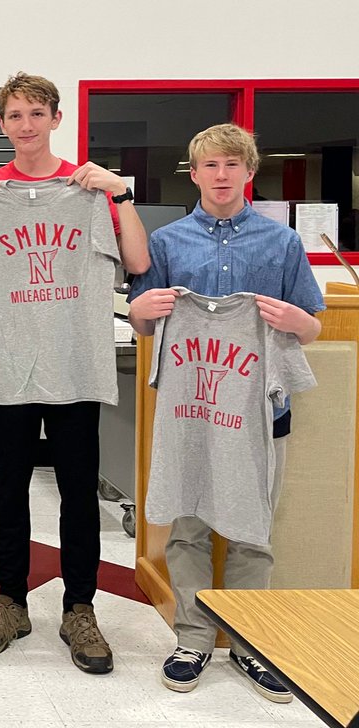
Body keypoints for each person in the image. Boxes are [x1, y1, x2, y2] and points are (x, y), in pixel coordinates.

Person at [0, 72, 149, 674]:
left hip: (74, 364)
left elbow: (137, 260)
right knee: (7, 488)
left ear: (56, 118)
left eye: (37, 113)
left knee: (78, 493)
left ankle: (79, 607)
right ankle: (10, 600)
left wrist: (120, 194)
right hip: (10, 366)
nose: (26, 124)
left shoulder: (87, 189)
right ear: (2, 124)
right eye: (15, 115)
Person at [127, 123, 323, 701]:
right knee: (187, 525)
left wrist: (298, 322)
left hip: (262, 413)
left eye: (231, 165)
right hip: (191, 413)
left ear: (249, 172)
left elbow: (311, 328)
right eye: (210, 165)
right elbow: (143, 323)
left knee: (251, 530)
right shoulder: (168, 243)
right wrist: (142, 308)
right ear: (193, 173)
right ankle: (192, 638)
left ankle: (248, 643)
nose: (221, 175)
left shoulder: (281, 243)